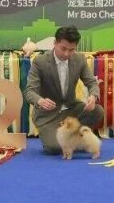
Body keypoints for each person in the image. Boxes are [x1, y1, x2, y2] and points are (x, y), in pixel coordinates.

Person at [24, 26, 103, 155]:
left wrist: (93, 96)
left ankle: (74, 139)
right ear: (55, 43)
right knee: (54, 148)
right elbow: (29, 91)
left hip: (71, 109)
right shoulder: (40, 62)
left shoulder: (80, 59)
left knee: (97, 111)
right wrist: (40, 101)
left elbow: (92, 83)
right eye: (63, 49)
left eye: (71, 50)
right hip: (48, 115)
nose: (67, 54)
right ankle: (72, 139)